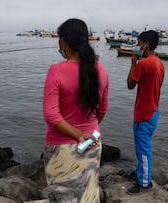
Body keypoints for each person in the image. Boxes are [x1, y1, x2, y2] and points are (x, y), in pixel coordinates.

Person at [43, 18, 109, 203]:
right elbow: (103, 109)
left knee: (63, 196)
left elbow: (51, 115)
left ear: (63, 41)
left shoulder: (56, 71)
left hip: (62, 148)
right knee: (88, 195)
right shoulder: (100, 69)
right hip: (92, 143)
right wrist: (87, 132)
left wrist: (79, 134)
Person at [126, 30, 165, 194]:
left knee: (143, 149)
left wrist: (133, 64)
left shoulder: (144, 64)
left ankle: (144, 183)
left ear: (146, 44)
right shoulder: (159, 63)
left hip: (145, 113)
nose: (136, 46)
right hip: (152, 110)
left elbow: (130, 84)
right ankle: (141, 173)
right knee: (142, 147)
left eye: (138, 42)